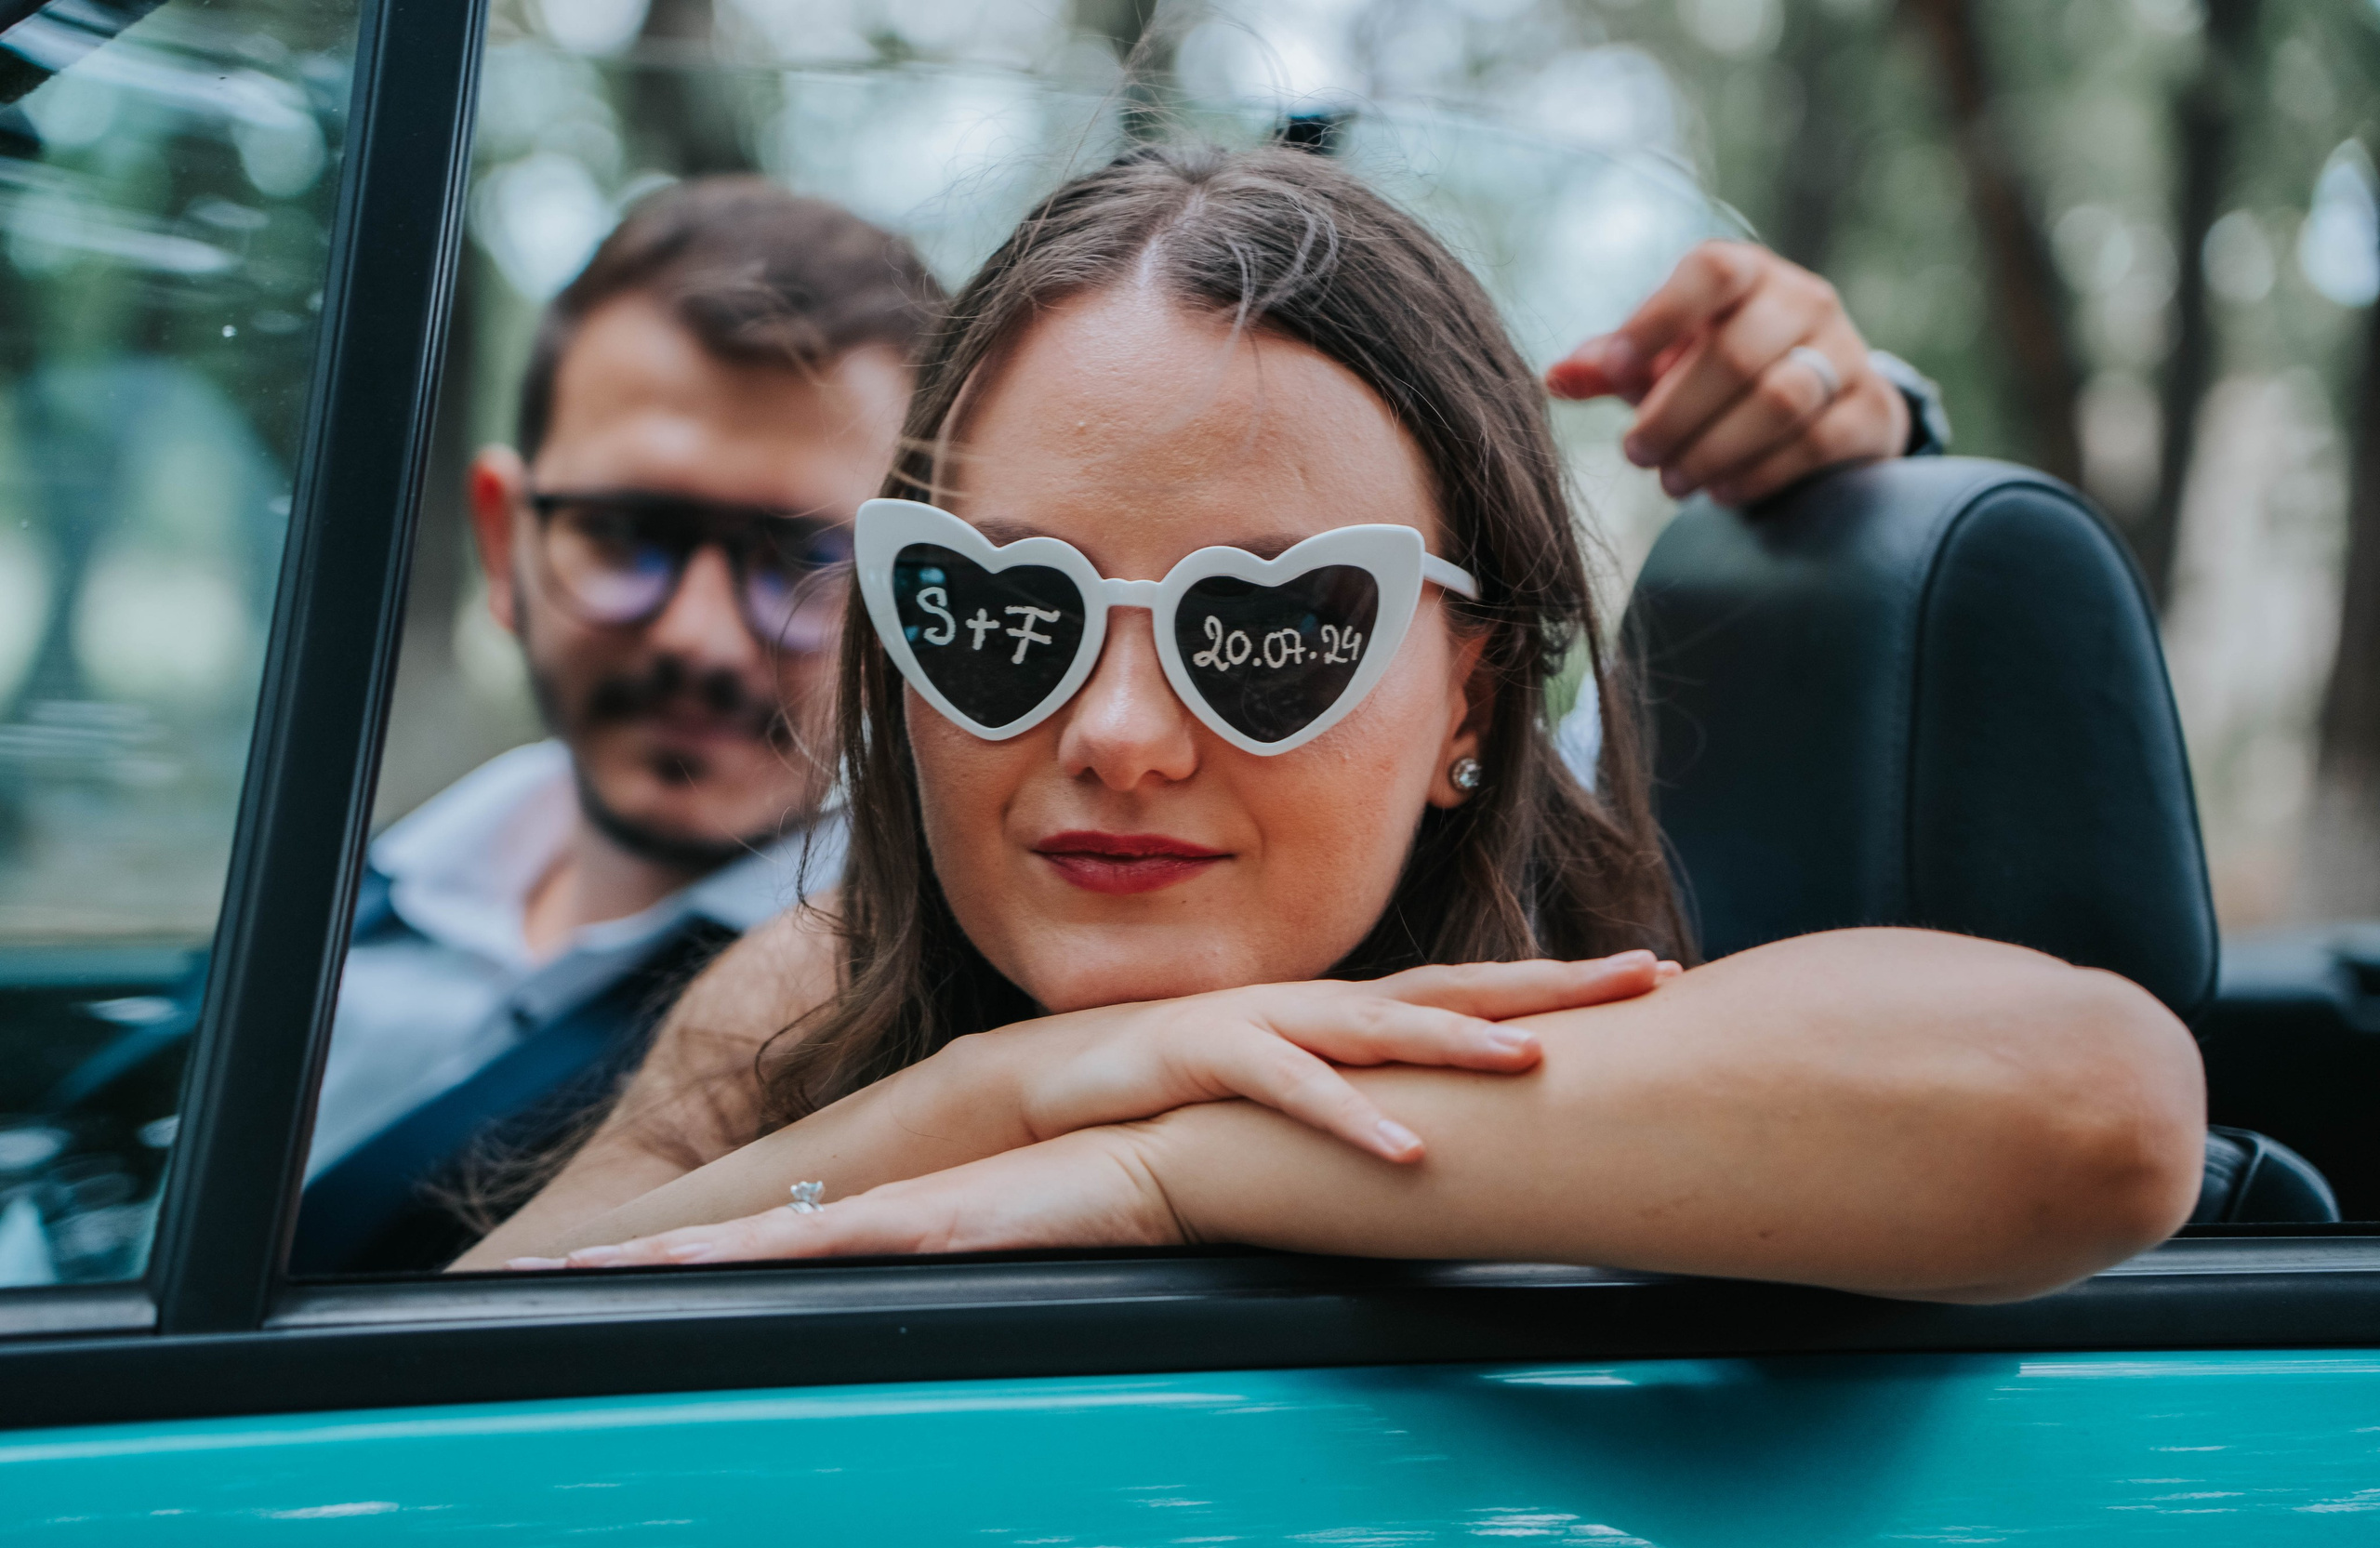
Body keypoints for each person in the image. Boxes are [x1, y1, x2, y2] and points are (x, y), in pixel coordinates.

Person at [455, 144, 2202, 1300]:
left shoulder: (1624, 986)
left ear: (1475, 696)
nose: (1120, 728)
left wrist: (1162, 1166)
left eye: (1271, 627)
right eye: (1006, 615)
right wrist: (1007, 1086)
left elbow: (2104, 1106)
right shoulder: (807, 994)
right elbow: (453, 1370)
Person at [290, 179, 939, 1272]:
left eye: (805, 559)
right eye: (631, 533)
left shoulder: (897, 1022)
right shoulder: (343, 893)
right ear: (507, 547)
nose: (699, 637)